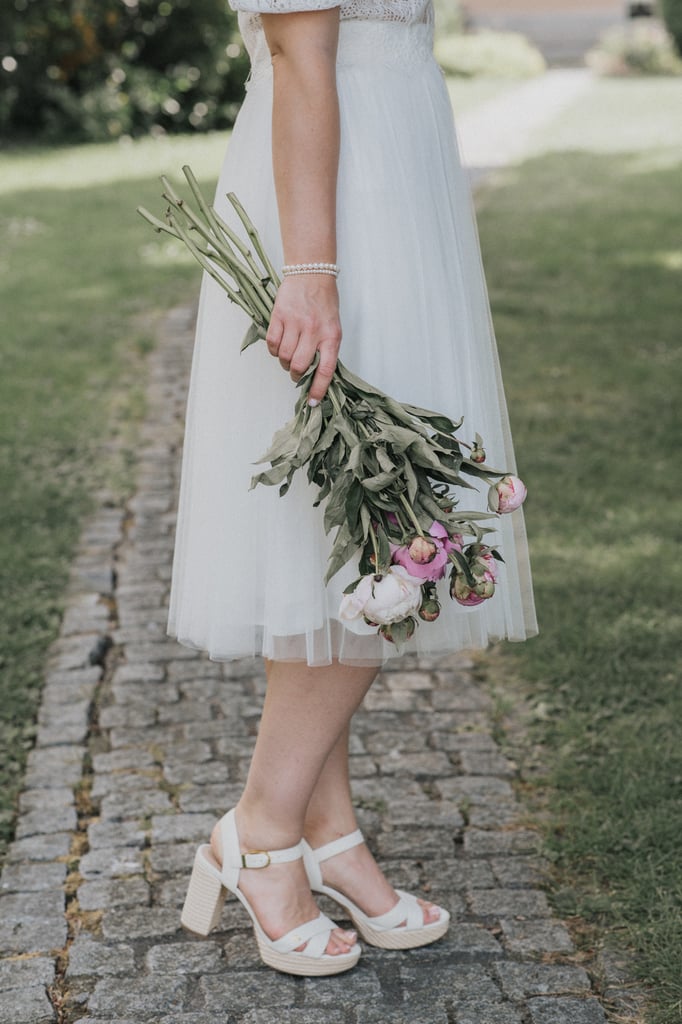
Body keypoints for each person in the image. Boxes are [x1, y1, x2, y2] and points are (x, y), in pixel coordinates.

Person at [169, 0, 538, 976]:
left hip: (389, 173)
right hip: (338, 205)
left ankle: (325, 835)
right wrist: (313, 270)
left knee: (335, 543)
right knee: (388, 534)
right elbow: (297, 45)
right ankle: (258, 827)